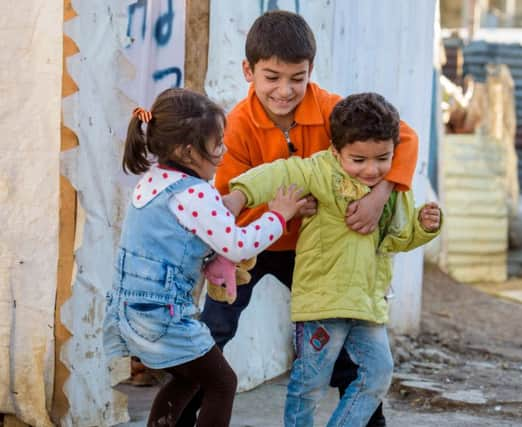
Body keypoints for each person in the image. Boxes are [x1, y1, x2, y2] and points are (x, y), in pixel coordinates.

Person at [181, 10, 420, 427]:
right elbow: (234, 194)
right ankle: (178, 419)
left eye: (297, 77)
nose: (285, 90)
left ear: (311, 70)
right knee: (213, 331)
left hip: (317, 248)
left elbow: (407, 138)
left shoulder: (331, 109)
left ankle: (368, 422)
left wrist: (381, 194)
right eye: (272, 77)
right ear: (248, 71)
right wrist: (280, 211)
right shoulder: (236, 125)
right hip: (253, 245)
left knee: (346, 337)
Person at [224, 92, 442, 426]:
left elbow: (396, 239)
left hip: (367, 304)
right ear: (335, 150)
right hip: (323, 304)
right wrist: (238, 196)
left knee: (379, 374)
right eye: (358, 160)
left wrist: (423, 227)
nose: (371, 170)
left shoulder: (394, 191)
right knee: (309, 385)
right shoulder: (319, 173)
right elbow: (277, 174)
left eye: (382, 158)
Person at [102, 88, 305, 427]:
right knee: (223, 383)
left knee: (188, 377)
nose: (223, 152)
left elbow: (179, 237)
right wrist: (278, 216)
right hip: (163, 316)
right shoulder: (193, 193)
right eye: (216, 146)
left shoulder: (153, 180)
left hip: (129, 310)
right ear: (187, 151)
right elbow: (237, 245)